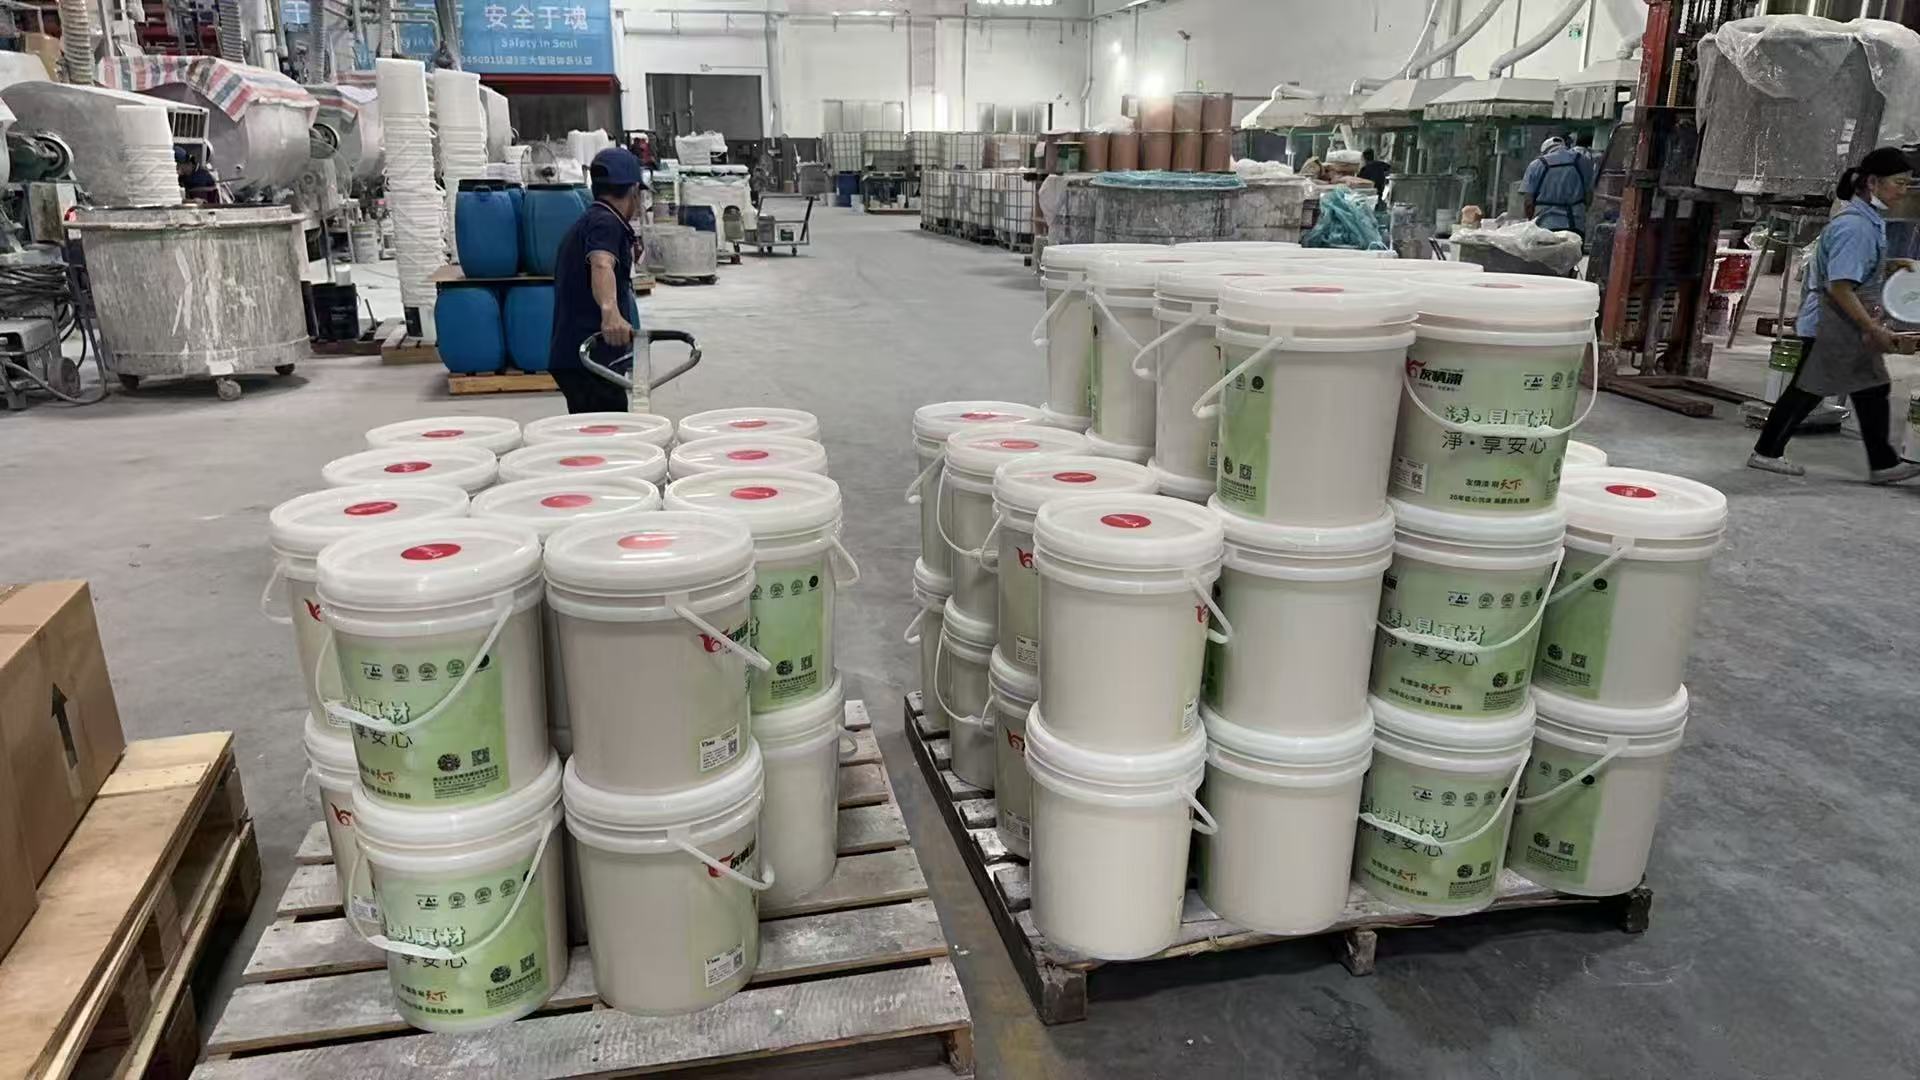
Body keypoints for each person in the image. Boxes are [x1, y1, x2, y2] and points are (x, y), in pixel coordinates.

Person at [1750, 147, 1920, 484]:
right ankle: (1766, 452)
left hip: (1845, 322)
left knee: (1872, 387)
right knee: (1807, 391)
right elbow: (1840, 286)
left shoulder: (1867, 221)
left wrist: (1888, 267)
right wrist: (1872, 328)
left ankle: (1883, 464)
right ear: (1873, 183)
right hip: (1833, 324)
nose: (1903, 192)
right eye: (1899, 183)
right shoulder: (1855, 227)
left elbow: (1854, 269)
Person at [547, 147, 646, 414]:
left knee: (596, 430)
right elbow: (601, 262)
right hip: (590, 357)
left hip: (580, 355)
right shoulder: (606, 223)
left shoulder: (590, 220)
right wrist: (610, 313)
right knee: (609, 432)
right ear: (634, 190)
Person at [1522, 136, 1595, 236]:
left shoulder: (1536, 165)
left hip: (1544, 226)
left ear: (1544, 151)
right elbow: (1589, 196)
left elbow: (1528, 202)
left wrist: (1530, 221)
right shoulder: (1583, 161)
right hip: (1575, 226)